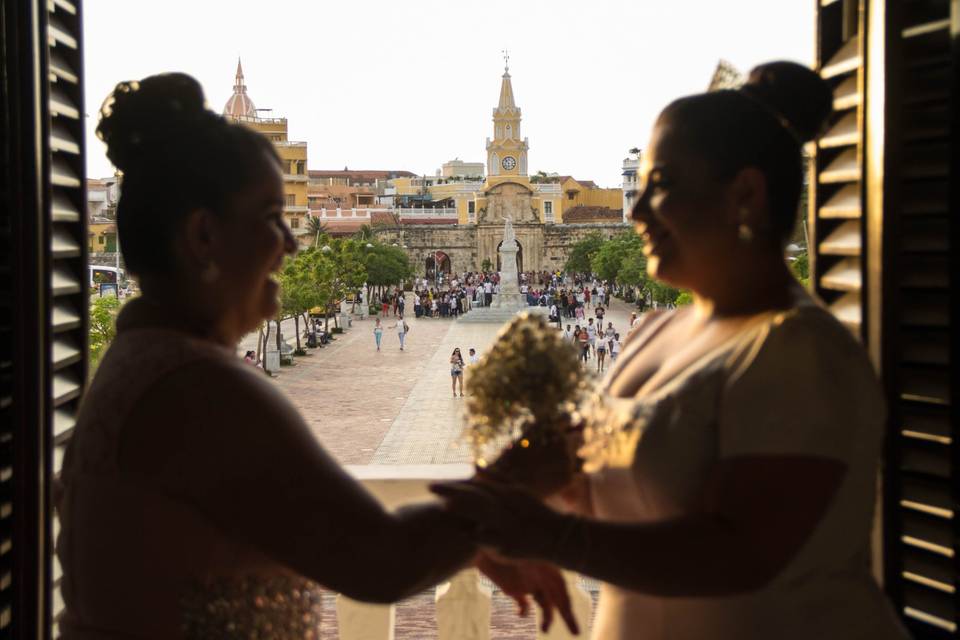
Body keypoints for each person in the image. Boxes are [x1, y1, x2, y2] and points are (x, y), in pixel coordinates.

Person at [56, 73, 575, 638]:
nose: (291, 241)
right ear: (204, 236)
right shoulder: (201, 390)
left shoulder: (148, 367)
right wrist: (513, 478)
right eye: (270, 218)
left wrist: (464, 536)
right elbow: (377, 559)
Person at [433, 62, 907, 640]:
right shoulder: (657, 334)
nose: (635, 213)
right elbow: (586, 455)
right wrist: (502, 492)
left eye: (662, 186)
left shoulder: (801, 353)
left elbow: (741, 555)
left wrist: (544, 537)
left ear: (746, 194)